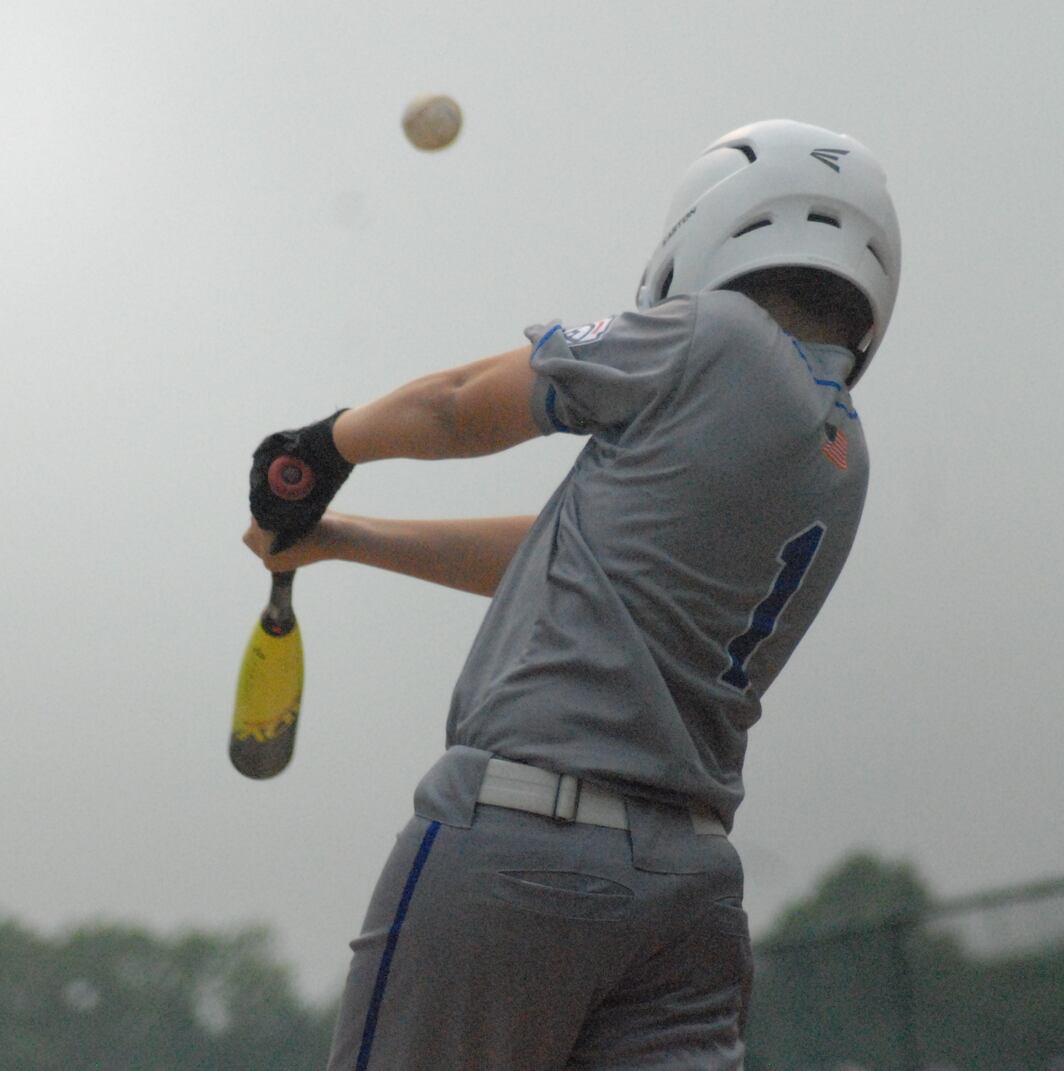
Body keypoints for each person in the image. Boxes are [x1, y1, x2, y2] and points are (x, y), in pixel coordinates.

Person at [244, 119, 902, 1070]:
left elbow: (459, 403)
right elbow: (562, 557)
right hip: (690, 895)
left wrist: (322, 446)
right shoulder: (843, 452)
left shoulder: (710, 336)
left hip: (519, 851)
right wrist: (342, 539)